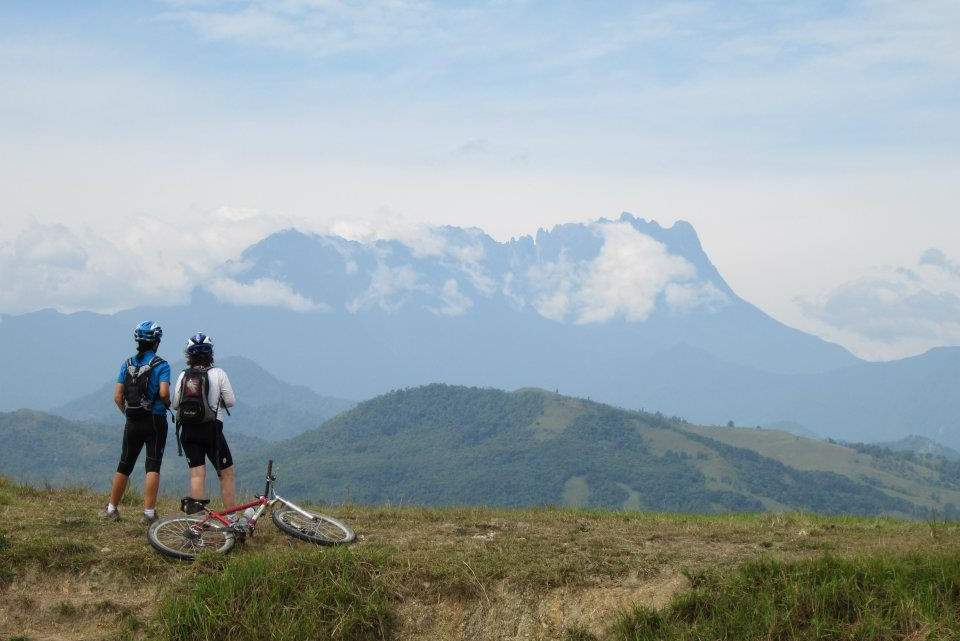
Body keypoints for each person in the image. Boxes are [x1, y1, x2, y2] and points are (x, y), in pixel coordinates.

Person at [102, 321, 171, 525]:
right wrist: (168, 404)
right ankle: (148, 513)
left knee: (125, 463)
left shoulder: (127, 364)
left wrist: (129, 414)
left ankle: (112, 508)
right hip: (155, 419)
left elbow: (117, 396)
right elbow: (164, 393)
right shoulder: (162, 365)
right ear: (156, 342)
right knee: (153, 464)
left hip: (132, 420)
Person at [172, 333, 237, 510]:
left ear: (189, 355)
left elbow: (176, 404)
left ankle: (197, 518)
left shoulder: (183, 375)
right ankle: (231, 517)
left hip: (188, 430)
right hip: (211, 430)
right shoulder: (218, 373)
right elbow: (230, 401)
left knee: (197, 474)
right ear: (210, 353)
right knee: (226, 474)